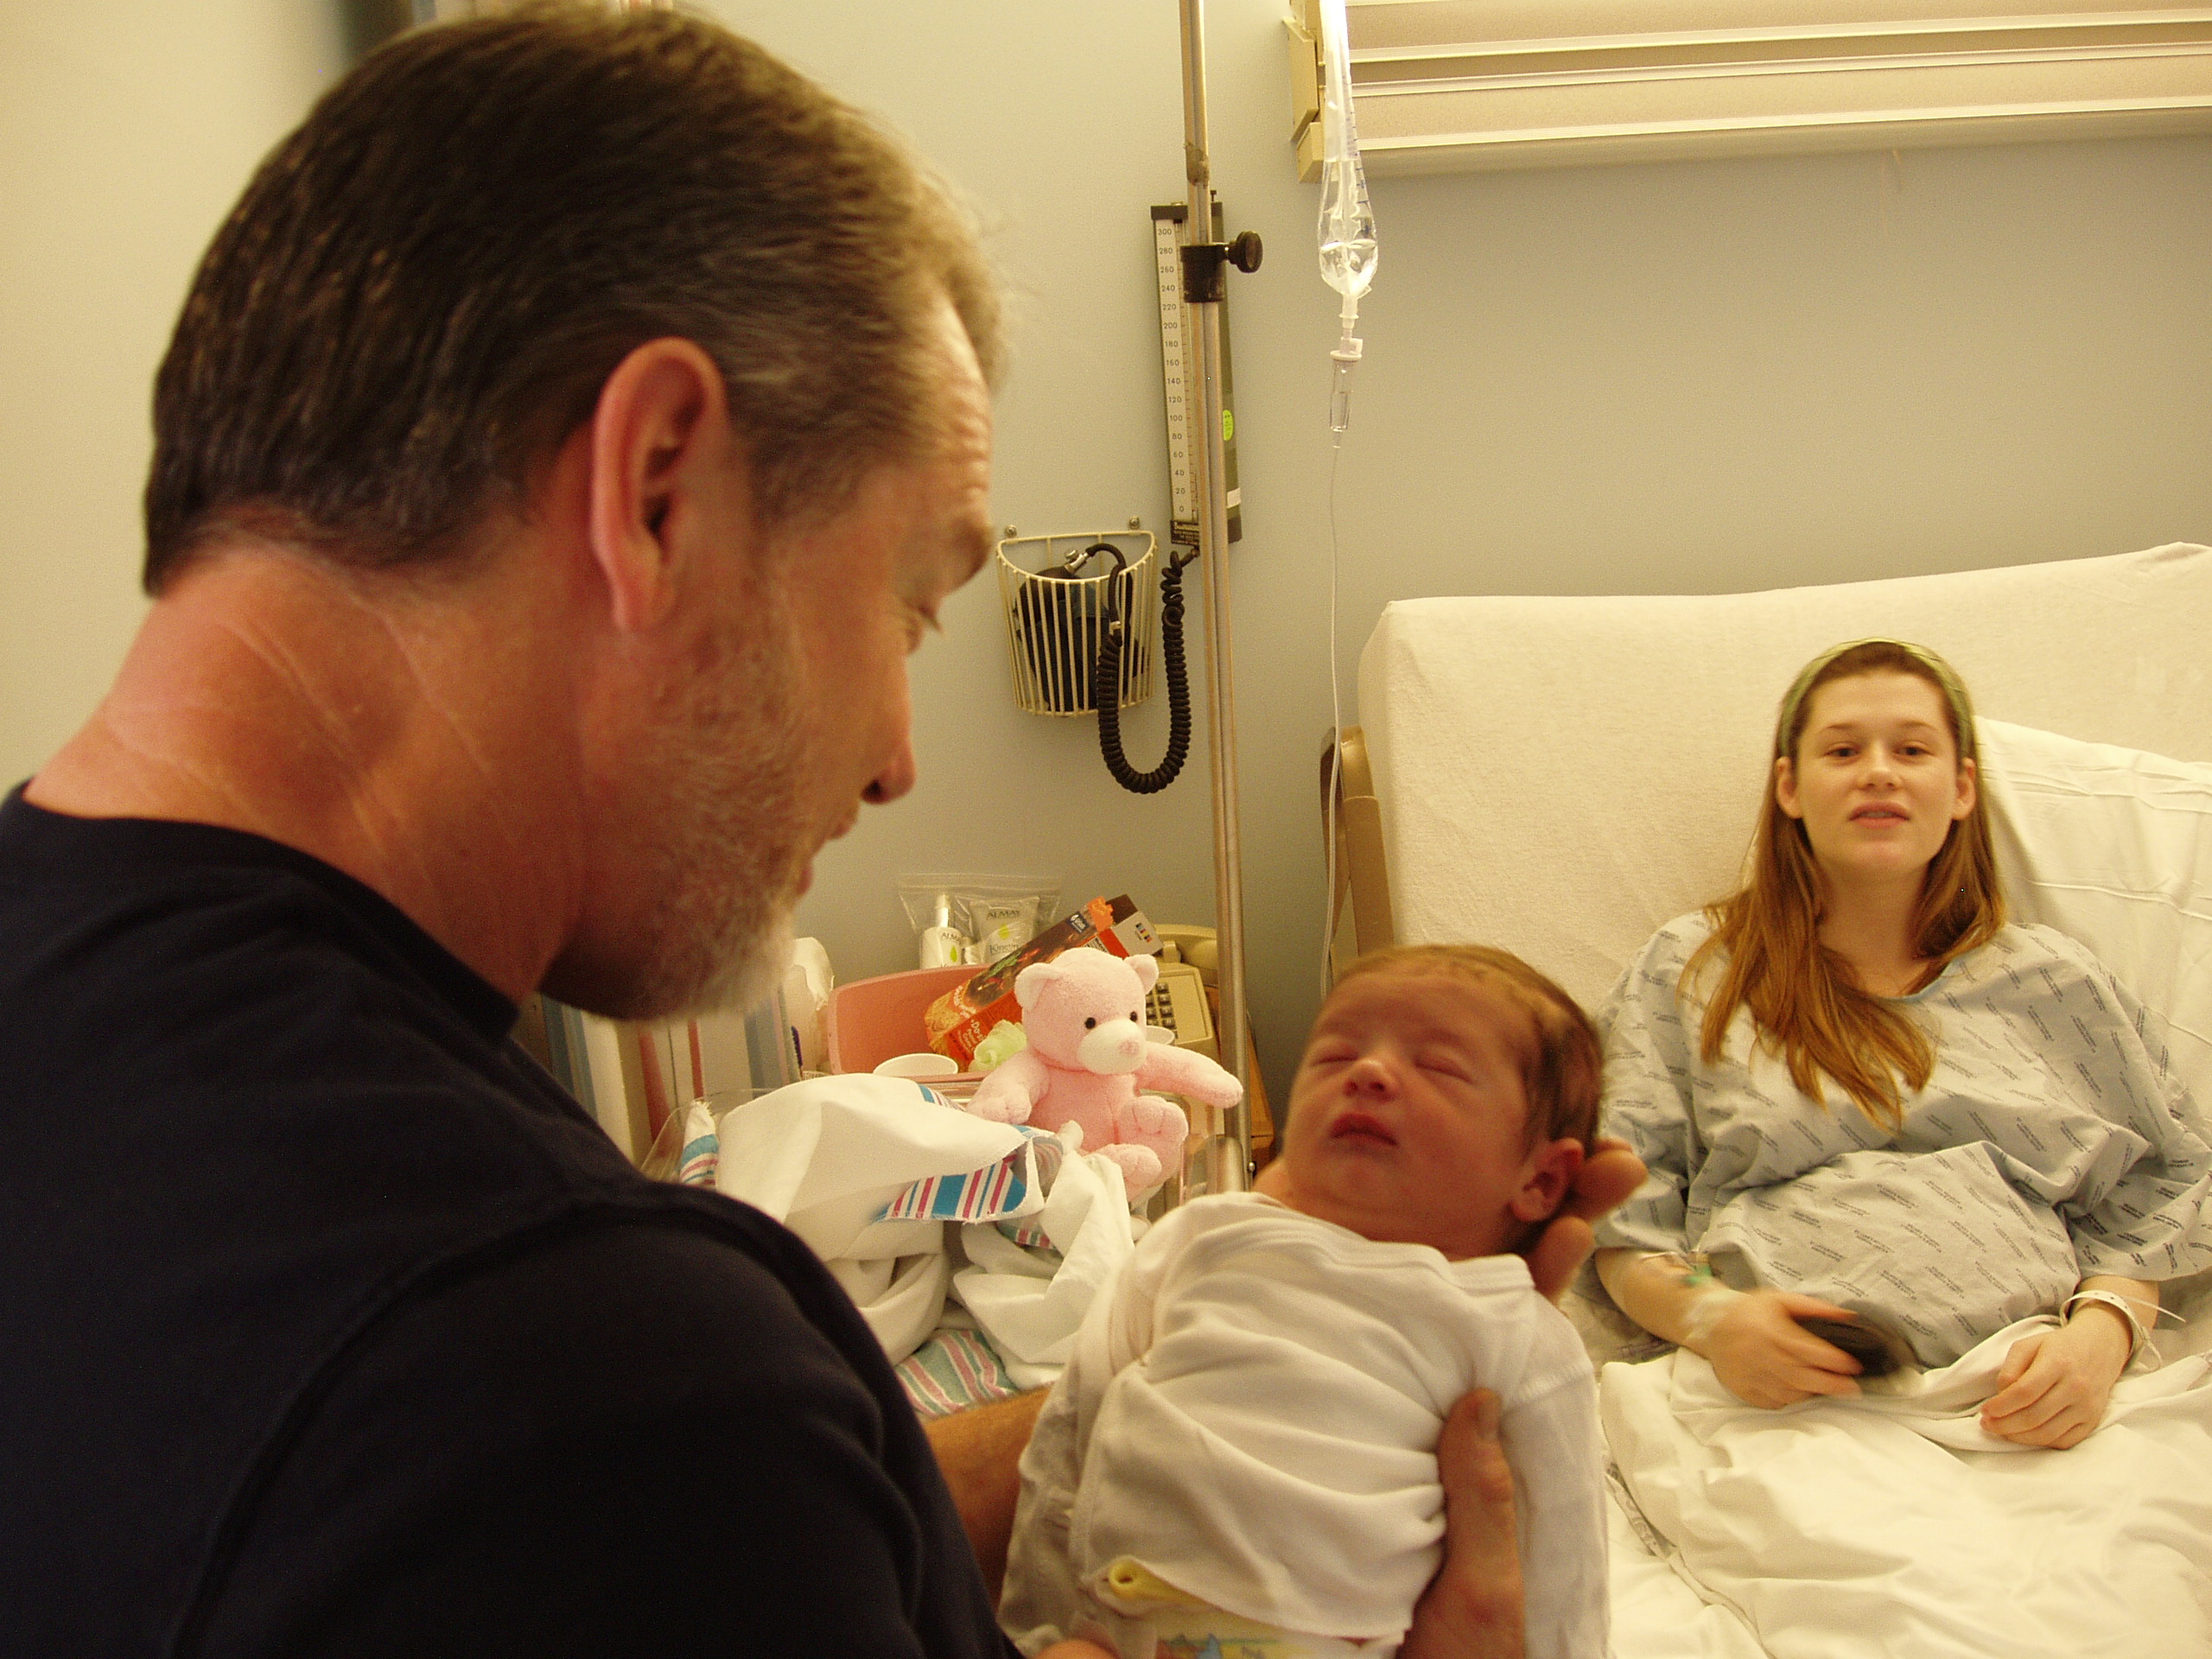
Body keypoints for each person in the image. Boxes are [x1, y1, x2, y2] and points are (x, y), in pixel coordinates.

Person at [0, 10, 1644, 1656]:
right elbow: (675, 1502)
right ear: (658, 489)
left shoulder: (132, 1068)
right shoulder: (574, 1381)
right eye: (911, 603)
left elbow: (759, 1546)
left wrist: (1279, 1364)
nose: (897, 763)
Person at [1593, 638, 2212, 1448]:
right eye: (1843, 751)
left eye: (1912, 751)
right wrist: (1712, 1320)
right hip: (1775, 1405)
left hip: (2029, 1404)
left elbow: (2164, 1188)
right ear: (1789, 787)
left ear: (1961, 790)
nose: (1879, 772)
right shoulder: (1693, 973)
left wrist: (2102, 1337)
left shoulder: (2056, 984)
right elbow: (1617, 1218)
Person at [1001, 945, 1611, 1659]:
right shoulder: (1210, 1234)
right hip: (1118, 1622)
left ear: (1541, 1180)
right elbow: (1078, 1418)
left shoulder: (1510, 1326)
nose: (1367, 1071)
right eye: (1334, 1054)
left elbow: (1560, 1561)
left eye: (1440, 1066)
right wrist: (1033, 1625)